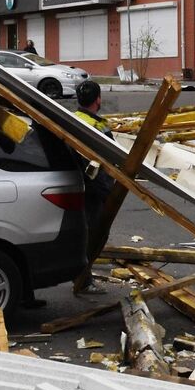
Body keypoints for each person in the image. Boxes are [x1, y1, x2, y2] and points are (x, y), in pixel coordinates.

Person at [72, 80, 115, 292]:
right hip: (95, 189)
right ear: (98, 99)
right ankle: (83, 279)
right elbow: (107, 162)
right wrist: (108, 192)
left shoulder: (73, 119)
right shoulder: (99, 126)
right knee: (95, 234)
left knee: (82, 233)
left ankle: (81, 276)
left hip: (75, 184)